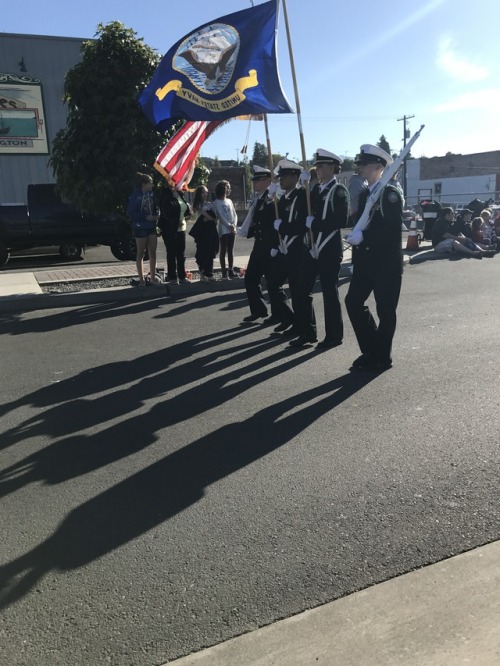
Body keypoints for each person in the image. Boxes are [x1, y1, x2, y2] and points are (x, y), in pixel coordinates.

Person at [344, 144, 404, 372]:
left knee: (385, 311)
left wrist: (364, 238)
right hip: (366, 263)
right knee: (353, 302)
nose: (359, 167)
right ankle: (371, 349)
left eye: (364, 164)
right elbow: (361, 224)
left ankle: (382, 357)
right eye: (359, 163)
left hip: (385, 264)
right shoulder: (365, 194)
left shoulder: (389, 194)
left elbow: (390, 230)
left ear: (379, 167)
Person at [238, 165, 294, 326]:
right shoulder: (261, 198)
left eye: (257, 180)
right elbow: (259, 222)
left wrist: (276, 246)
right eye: (254, 180)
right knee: (251, 278)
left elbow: (278, 223)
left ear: (268, 181)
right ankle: (260, 310)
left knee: (273, 284)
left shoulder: (274, 198)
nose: (254, 183)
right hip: (260, 245)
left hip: (271, 247)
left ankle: (285, 316)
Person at [305, 149, 349, 349]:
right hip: (314, 247)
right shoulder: (316, 189)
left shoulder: (339, 191)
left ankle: (334, 335)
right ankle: (307, 331)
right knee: (302, 287)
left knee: (329, 292)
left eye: (321, 166)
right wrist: (303, 185)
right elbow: (306, 205)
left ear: (332, 167)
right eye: (317, 166)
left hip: (330, 247)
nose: (318, 170)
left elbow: (340, 220)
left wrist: (315, 223)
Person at [273, 159, 315, 346]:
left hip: (301, 249)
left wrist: (309, 184)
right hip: (288, 250)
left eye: (284, 177)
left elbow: (301, 225)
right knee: (294, 291)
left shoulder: (302, 195)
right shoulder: (284, 198)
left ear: (294, 177)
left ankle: (309, 332)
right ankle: (299, 326)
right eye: (280, 177)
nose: (281, 180)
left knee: (301, 293)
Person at [126, 172, 160, 289]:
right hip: (140, 226)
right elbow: (130, 212)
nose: (152, 185)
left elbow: (156, 207)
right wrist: (144, 216)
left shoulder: (152, 195)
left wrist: (156, 216)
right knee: (140, 253)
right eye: (150, 183)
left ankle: (153, 277)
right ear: (144, 184)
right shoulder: (136, 195)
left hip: (151, 226)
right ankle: (141, 280)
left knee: (153, 252)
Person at [158, 183, 191, 284]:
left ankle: (182, 276)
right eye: (171, 182)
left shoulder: (180, 193)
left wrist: (188, 213)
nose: (174, 184)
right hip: (169, 229)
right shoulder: (165, 195)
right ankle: (172, 277)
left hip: (182, 228)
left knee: (181, 254)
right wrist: (174, 224)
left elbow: (184, 207)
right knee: (171, 253)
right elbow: (164, 212)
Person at [189, 185, 219, 281]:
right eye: (203, 192)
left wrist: (213, 218)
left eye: (206, 192)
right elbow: (205, 215)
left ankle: (209, 273)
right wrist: (211, 218)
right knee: (202, 251)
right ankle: (202, 273)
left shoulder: (210, 204)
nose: (205, 194)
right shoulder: (198, 205)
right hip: (202, 231)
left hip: (210, 230)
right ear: (199, 194)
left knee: (210, 251)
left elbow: (214, 216)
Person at [213, 180, 238, 279]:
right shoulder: (217, 202)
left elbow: (234, 214)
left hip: (232, 229)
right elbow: (220, 215)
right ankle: (224, 271)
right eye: (228, 187)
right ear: (223, 189)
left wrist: (234, 225)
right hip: (224, 229)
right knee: (223, 250)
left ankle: (231, 269)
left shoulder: (229, 201)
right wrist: (229, 225)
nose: (229, 190)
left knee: (231, 250)